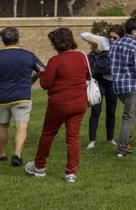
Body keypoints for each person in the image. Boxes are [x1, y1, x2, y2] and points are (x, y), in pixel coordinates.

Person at [24, 28, 89, 183]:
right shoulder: (81, 56)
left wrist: (42, 73)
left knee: (48, 134)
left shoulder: (55, 61)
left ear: (56, 44)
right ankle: (71, 173)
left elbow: (46, 84)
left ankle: (39, 166)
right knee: (73, 137)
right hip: (79, 102)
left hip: (59, 103)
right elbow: (86, 75)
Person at [0, 26, 44, 167]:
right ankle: (17, 155)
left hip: (2, 97)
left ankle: (2, 154)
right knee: (21, 126)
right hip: (22, 96)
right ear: (18, 38)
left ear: (3, 40)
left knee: (2, 126)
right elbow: (43, 70)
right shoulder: (28, 55)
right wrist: (34, 78)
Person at [108, 18, 136, 158]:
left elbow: (110, 64)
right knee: (129, 118)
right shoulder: (135, 46)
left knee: (130, 115)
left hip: (118, 86)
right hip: (131, 86)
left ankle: (125, 142)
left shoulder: (114, 44)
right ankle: (122, 148)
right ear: (134, 31)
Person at [81, 28, 118, 149]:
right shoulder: (103, 40)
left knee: (111, 111)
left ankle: (110, 138)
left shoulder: (121, 45)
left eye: (115, 38)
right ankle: (92, 140)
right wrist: (98, 44)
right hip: (100, 80)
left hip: (112, 81)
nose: (111, 39)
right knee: (96, 110)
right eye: (110, 37)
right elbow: (84, 34)